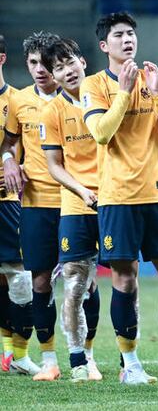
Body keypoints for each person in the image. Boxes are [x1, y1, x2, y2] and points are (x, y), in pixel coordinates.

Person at [80, 11, 158, 384]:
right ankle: (130, 365)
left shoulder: (155, 79)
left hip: (156, 194)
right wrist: (124, 92)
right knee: (125, 280)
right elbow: (101, 133)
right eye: (119, 35)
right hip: (117, 198)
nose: (127, 39)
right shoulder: (93, 85)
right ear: (105, 45)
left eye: (131, 33)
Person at [1, 31, 64, 380]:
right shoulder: (21, 100)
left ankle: (83, 358)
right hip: (34, 202)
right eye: (33, 63)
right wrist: (10, 158)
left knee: (77, 281)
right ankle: (29, 356)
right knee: (29, 280)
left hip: (65, 201)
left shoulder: (77, 98)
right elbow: (10, 145)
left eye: (45, 62)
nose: (40, 69)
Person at [40, 38, 103, 382]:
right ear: (54, 76)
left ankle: (128, 361)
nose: (67, 71)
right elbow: (54, 164)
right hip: (77, 204)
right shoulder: (52, 112)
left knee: (125, 279)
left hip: (117, 200)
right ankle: (79, 360)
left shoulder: (106, 95)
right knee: (75, 281)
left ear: (83, 61)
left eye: (70, 63)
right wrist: (81, 190)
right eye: (58, 68)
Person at [0, 33, 31, 374]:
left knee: (17, 277)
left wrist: (20, 165)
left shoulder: (18, 101)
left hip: (7, 200)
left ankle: (15, 355)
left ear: (1, 59)